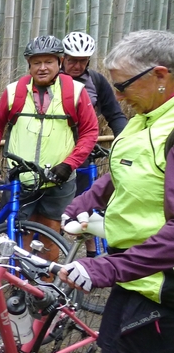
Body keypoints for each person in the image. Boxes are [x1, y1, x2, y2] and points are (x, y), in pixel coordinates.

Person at [59, 29, 174, 353]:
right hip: (137, 275)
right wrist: (86, 200)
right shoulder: (149, 117)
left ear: (161, 76)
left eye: (122, 85)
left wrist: (104, 268)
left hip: (161, 283)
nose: (117, 95)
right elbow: (128, 169)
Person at [0, 35, 98, 265]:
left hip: (58, 180)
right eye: (37, 62)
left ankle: (44, 291)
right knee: (20, 239)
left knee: (50, 239)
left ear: (60, 63)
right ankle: (19, 290)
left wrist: (69, 164)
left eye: (49, 62)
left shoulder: (75, 91)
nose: (43, 68)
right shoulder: (14, 91)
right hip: (22, 179)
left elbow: (90, 131)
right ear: (29, 64)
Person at [62, 31, 129, 257]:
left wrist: (125, 139)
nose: (76, 65)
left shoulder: (96, 81)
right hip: (54, 153)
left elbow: (115, 115)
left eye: (82, 61)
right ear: (63, 58)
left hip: (83, 151)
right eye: (72, 60)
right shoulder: (50, 78)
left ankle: (91, 254)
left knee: (85, 206)